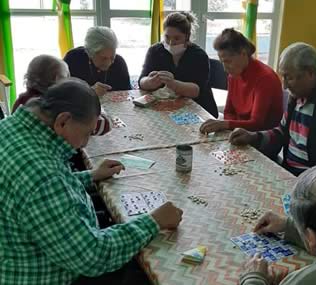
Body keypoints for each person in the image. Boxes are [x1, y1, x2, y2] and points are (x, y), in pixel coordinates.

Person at [0, 78, 183, 285]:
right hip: (45, 275)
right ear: (63, 121)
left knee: (111, 215)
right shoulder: (42, 175)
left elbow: (42, 189)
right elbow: (93, 256)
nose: (85, 142)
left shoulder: (11, 128)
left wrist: (91, 175)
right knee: (146, 269)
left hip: (21, 254)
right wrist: (154, 221)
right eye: (87, 133)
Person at [229, 42, 316, 179]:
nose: (284, 85)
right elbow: (282, 132)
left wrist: (299, 185)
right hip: (290, 173)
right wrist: (252, 137)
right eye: (283, 77)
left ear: (311, 73)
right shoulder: (298, 95)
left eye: (289, 78)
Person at [199, 28, 283, 133]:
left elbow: (257, 123)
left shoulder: (265, 78)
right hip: (239, 132)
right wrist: (229, 126)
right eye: (222, 62)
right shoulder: (234, 74)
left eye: (228, 61)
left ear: (243, 54)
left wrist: (225, 124)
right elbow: (229, 111)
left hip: (261, 137)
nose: (225, 68)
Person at [139, 12, 218, 117]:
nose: (171, 43)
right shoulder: (155, 51)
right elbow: (141, 81)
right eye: (167, 37)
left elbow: (196, 91)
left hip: (199, 109)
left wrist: (173, 84)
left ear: (187, 37)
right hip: (165, 109)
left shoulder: (198, 55)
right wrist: (150, 82)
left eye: (177, 38)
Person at [13, 54, 111, 136]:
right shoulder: (57, 106)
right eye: (67, 76)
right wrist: (91, 100)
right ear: (57, 79)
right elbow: (104, 126)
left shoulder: (19, 102)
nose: (69, 80)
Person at [64, 26, 131, 96]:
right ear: (90, 53)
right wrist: (89, 91)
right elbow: (62, 93)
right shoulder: (73, 58)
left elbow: (127, 93)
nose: (108, 63)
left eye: (112, 57)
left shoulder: (119, 62)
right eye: (103, 58)